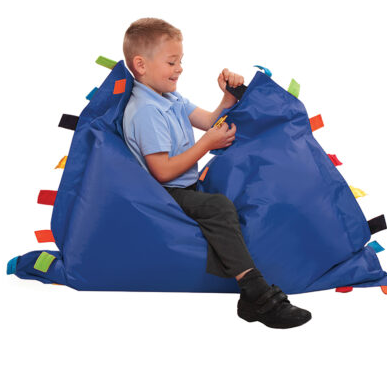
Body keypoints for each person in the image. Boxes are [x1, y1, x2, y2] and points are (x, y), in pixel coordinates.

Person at [122, 17, 312, 329]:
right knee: (218, 207)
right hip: (162, 195)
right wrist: (206, 144)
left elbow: (210, 121)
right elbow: (162, 172)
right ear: (141, 65)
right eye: (171, 62)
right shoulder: (146, 112)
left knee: (237, 189)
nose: (180, 69)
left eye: (180, 61)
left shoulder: (170, 99)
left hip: (183, 186)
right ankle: (255, 293)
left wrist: (227, 98)